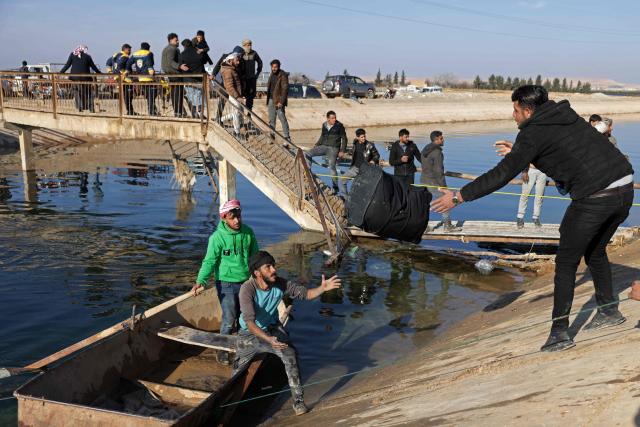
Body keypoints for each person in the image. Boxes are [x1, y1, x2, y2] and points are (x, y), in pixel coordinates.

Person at [432, 85, 634, 352]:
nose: (513, 115)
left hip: (596, 196)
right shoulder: (565, 115)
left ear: (527, 111)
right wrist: (519, 151)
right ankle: (609, 311)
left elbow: (502, 174)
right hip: (625, 187)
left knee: (565, 263)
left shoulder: (533, 133)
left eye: (515, 110)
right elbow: (562, 151)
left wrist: (460, 197)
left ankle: (560, 334)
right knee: (595, 252)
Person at [235, 251, 341, 415]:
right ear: (257, 272)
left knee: (290, 354)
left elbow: (305, 294)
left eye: (273, 265)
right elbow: (249, 323)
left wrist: (322, 288)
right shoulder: (247, 289)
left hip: (271, 328)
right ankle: (231, 402)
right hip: (249, 333)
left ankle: (298, 402)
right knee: (238, 371)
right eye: (268, 267)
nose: (273, 270)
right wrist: (269, 340)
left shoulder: (280, 283)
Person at [192, 199, 259, 364]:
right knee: (229, 318)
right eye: (232, 218)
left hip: (246, 282)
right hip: (226, 283)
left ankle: (241, 345)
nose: (237, 221)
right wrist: (201, 280)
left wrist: (259, 275)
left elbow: (255, 256)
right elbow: (209, 261)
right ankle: (222, 349)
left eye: (239, 216)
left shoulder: (248, 233)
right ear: (224, 218)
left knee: (245, 317)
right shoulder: (217, 238)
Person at [421, 130, 454, 231]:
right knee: (447, 200)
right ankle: (447, 226)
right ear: (436, 140)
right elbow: (438, 171)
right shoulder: (437, 152)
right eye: (441, 138)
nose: (443, 140)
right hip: (434, 182)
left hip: (424, 180)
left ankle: (424, 226)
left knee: (424, 203)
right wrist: (444, 187)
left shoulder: (425, 149)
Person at [307, 111, 348, 193]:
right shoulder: (324, 125)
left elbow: (344, 139)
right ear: (328, 118)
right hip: (324, 146)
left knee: (332, 167)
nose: (334, 119)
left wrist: (342, 151)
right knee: (308, 153)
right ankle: (307, 172)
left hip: (334, 148)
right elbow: (322, 136)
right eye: (332, 118)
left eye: (335, 117)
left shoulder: (339, 126)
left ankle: (335, 188)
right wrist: (317, 144)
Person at [60, 45, 101, 112]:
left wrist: (61, 72)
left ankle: (80, 108)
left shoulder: (72, 55)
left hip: (75, 78)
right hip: (86, 78)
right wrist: (99, 73)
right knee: (89, 93)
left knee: (77, 92)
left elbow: (67, 65)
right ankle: (91, 108)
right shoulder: (88, 57)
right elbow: (93, 67)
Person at [342, 128, 380, 193]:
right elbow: (354, 151)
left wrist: (373, 160)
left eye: (364, 136)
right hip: (354, 168)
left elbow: (377, 155)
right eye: (362, 137)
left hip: (365, 170)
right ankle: (346, 198)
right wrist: (347, 153)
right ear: (357, 137)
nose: (364, 138)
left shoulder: (370, 145)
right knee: (342, 180)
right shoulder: (355, 143)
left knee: (363, 187)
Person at [126, 42, 158, 116]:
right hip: (149, 77)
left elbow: (128, 63)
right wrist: (150, 69)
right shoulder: (149, 53)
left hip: (140, 78)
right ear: (148, 47)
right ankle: (152, 111)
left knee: (148, 95)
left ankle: (152, 110)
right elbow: (150, 63)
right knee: (152, 94)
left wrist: (127, 70)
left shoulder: (135, 54)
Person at [162, 33, 189, 117]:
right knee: (178, 94)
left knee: (175, 94)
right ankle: (178, 113)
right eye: (176, 40)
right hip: (175, 74)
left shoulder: (166, 48)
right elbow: (170, 61)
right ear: (170, 40)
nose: (178, 41)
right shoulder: (172, 49)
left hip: (171, 74)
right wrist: (179, 66)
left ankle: (178, 112)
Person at [179, 39, 206, 118]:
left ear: (184, 46)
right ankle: (200, 112)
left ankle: (194, 114)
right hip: (199, 79)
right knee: (199, 96)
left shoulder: (182, 54)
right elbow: (202, 65)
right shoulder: (198, 53)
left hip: (188, 80)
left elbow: (181, 67)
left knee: (191, 97)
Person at [220, 53, 245, 136]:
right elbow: (229, 86)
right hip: (234, 95)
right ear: (230, 61)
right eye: (236, 60)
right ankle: (236, 132)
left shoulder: (231, 68)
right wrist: (237, 96)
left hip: (237, 95)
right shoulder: (228, 71)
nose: (238, 62)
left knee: (237, 112)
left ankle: (221, 119)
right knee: (236, 113)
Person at [266, 59, 291, 142]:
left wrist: (281, 101)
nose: (274, 69)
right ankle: (272, 137)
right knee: (271, 120)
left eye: (275, 67)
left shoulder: (283, 75)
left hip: (279, 101)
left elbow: (285, 89)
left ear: (279, 67)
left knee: (282, 119)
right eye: (272, 67)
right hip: (270, 100)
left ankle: (287, 138)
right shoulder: (271, 75)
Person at [107, 44, 134, 115]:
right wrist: (124, 72)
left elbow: (108, 62)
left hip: (117, 78)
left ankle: (129, 111)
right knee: (128, 95)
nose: (130, 51)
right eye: (129, 50)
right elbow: (120, 66)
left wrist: (110, 72)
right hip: (125, 79)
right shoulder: (125, 57)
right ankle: (130, 111)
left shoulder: (115, 55)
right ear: (124, 49)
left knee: (125, 95)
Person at [240, 39, 262, 110]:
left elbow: (260, 63)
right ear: (243, 46)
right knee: (240, 96)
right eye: (247, 45)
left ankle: (249, 115)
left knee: (250, 98)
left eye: (250, 45)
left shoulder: (254, 53)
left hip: (251, 79)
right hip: (242, 79)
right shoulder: (241, 53)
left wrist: (257, 73)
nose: (249, 46)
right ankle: (240, 114)